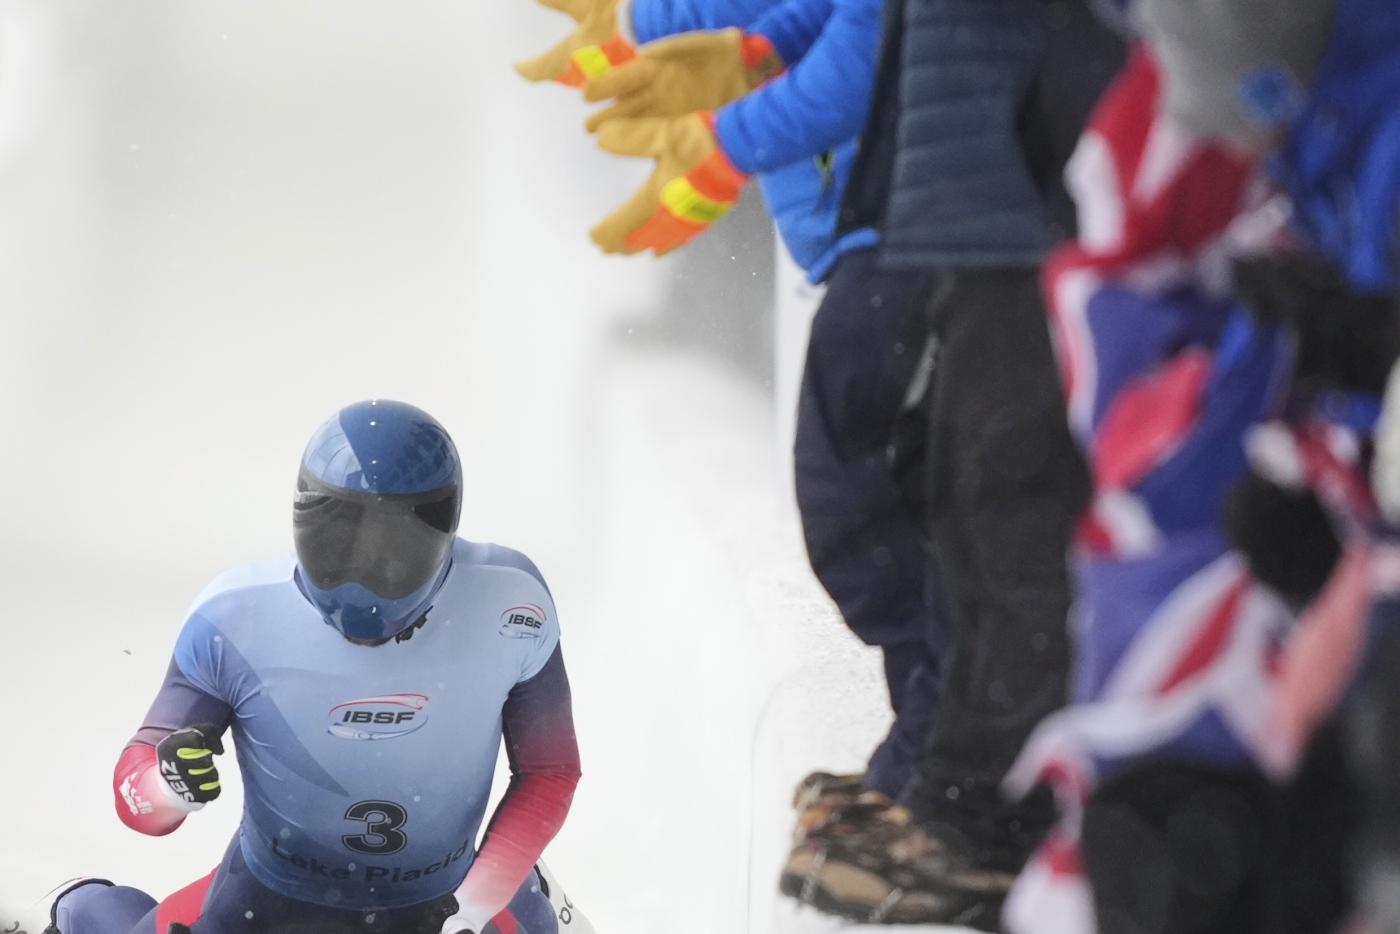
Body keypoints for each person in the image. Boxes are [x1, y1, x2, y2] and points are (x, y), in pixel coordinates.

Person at [519, 0, 938, 809]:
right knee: (875, 506)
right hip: (872, 231)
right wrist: (654, 25)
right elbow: (807, 15)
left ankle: (943, 763)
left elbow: (855, 55)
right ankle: (925, 751)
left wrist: (721, 142)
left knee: (879, 506)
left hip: (906, 232)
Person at [45, 400, 582, 934]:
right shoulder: (232, 620)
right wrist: (166, 785)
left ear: (444, 532)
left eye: (392, 550)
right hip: (276, 896)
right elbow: (138, 803)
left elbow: (549, 772)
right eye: (337, 539)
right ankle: (81, 905)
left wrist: (477, 904)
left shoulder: (513, 605)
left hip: (447, 898)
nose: (358, 581)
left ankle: (528, 889)